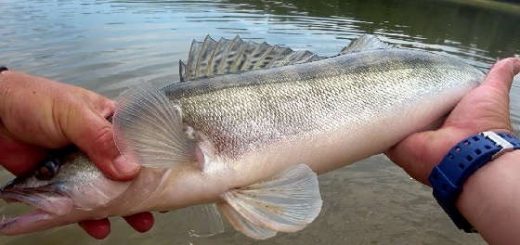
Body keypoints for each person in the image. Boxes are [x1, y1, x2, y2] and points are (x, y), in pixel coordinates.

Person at [0, 56, 518, 243]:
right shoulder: (166, 160)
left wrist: (481, 149)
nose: (36, 187)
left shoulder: (150, 137)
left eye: (49, 172)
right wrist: (482, 157)